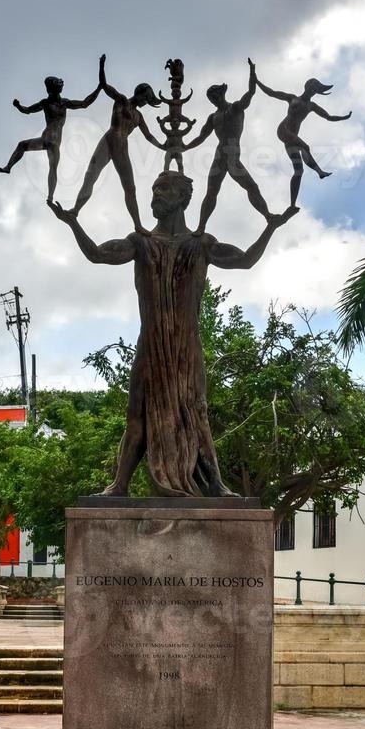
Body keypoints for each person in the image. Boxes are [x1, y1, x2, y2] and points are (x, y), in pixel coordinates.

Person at [48, 172, 296, 496]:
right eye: (153, 189)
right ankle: (119, 484)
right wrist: (72, 223)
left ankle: (217, 485)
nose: (155, 195)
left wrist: (271, 227)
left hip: (185, 345)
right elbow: (97, 254)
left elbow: (246, 260)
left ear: (183, 198)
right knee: (136, 413)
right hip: (150, 343)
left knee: (196, 410)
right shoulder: (141, 243)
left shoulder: (201, 244)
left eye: (163, 189)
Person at [71, 56, 164, 235]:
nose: (145, 102)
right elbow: (105, 85)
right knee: (91, 175)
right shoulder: (121, 100)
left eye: (148, 99)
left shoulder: (139, 117)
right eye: (145, 97)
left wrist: (162, 146)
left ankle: (137, 225)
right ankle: (75, 210)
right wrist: (101, 65)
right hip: (109, 140)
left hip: (122, 146)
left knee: (130, 187)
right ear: (140, 93)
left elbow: (148, 136)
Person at [185, 60, 273, 234]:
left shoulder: (236, 108)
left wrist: (252, 72)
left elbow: (251, 92)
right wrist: (185, 147)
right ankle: (201, 227)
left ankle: (268, 216)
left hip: (232, 153)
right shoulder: (213, 117)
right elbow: (201, 136)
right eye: (211, 98)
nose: (214, 99)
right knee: (211, 191)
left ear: (222, 94)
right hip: (219, 155)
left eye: (215, 96)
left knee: (251, 186)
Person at [0, 63, 103, 202]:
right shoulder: (45, 103)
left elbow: (85, 103)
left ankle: (50, 196)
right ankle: (8, 167)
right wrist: (18, 106)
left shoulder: (65, 103)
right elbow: (27, 110)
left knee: (52, 168)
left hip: (54, 142)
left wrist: (99, 88)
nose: (50, 92)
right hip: (45, 139)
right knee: (22, 145)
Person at [251, 61, 352, 206]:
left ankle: (292, 204)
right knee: (305, 146)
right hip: (284, 130)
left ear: (317, 91)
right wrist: (256, 80)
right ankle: (320, 171)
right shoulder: (292, 98)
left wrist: (344, 117)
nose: (313, 89)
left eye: (316, 88)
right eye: (312, 86)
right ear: (307, 86)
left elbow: (328, 117)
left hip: (291, 139)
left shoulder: (312, 106)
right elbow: (272, 93)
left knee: (299, 171)